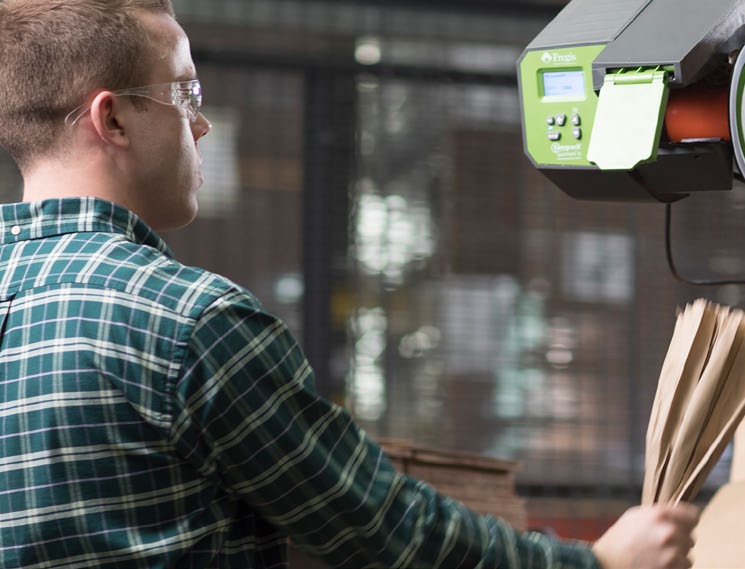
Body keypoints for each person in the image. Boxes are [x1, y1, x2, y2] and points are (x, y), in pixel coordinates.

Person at [0, 1, 699, 567]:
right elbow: (380, 531)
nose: (201, 121)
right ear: (112, 117)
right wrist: (598, 563)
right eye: (186, 91)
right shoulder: (191, 324)